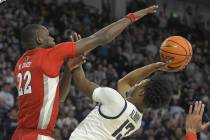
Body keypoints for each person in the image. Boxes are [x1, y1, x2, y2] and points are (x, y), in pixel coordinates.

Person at [12, 5, 158, 140]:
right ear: (39, 39)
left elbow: (59, 98)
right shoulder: (50, 54)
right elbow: (102, 37)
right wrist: (135, 15)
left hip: (20, 133)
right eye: (48, 35)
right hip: (38, 135)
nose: (52, 37)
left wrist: (69, 70)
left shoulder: (20, 64)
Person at [68, 60, 173, 139]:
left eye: (139, 84)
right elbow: (125, 82)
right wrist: (155, 67)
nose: (135, 84)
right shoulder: (137, 121)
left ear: (141, 92)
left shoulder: (116, 101)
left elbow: (80, 82)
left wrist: (76, 57)